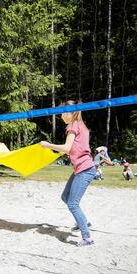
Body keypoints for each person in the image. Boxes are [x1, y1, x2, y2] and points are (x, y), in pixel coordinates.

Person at [40, 100, 96, 247]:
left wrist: (48, 145)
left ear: (71, 113)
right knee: (65, 197)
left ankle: (87, 238)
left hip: (85, 170)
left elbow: (66, 148)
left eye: (63, 112)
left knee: (72, 203)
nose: (61, 115)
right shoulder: (81, 125)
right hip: (81, 168)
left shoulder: (72, 126)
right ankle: (83, 221)